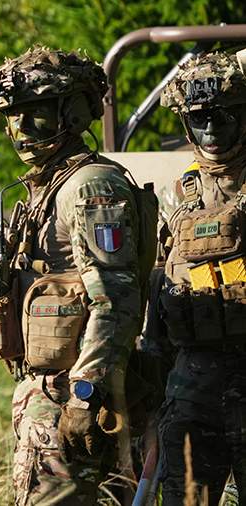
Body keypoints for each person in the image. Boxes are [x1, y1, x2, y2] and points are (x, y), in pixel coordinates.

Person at [0, 47, 154, 504]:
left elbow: (114, 297)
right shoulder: (45, 185)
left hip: (73, 393)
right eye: (11, 117)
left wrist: (85, 395)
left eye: (34, 113)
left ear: (72, 112)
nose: (19, 129)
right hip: (50, 390)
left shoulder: (90, 186)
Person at [154, 50, 246, 505]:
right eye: (198, 117)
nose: (211, 129)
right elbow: (156, 281)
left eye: (223, 116)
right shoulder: (178, 193)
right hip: (193, 385)